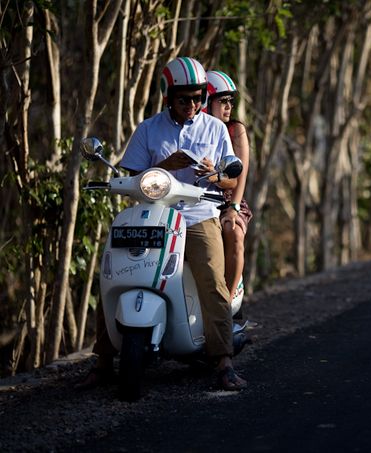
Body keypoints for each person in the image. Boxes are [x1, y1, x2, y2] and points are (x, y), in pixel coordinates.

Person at [77, 57, 247, 391]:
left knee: (213, 279)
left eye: (198, 98)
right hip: (155, 214)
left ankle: (223, 361)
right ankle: (102, 361)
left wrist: (214, 174)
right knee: (113, 272)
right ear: (167, 95)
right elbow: (132, 178)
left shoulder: (214, 128)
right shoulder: (149, 129)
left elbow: (230, 180)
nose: (193, 105)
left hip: (198, 214)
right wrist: (166, 166)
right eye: (184, 99)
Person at [204, 70, 252, 310]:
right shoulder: (195, 130)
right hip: (197, 200)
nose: (228, 107)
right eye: (222, 101)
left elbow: (240, 174)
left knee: (233, 233)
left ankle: (226, 305)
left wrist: (233, 207)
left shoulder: (236, 130)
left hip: (228, 199)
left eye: (230, 101)